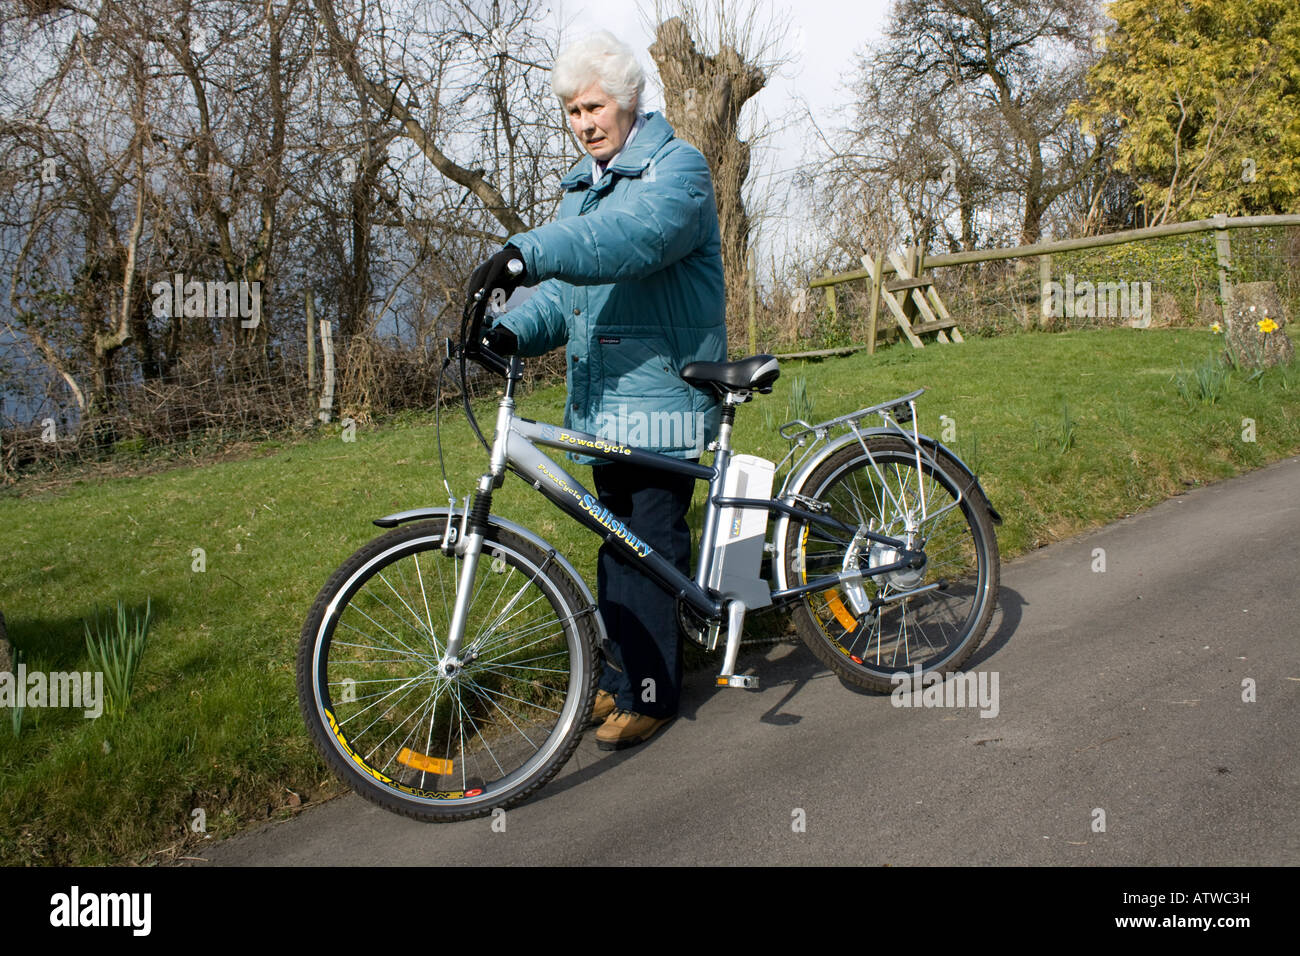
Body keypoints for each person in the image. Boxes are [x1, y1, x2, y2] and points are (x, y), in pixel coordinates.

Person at [467, 30, 727, 751]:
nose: (583, 123)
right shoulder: (581, 188)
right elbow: (563, 296)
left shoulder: (677, 171)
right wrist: (510, 331)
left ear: (628, 101)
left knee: (644, 541)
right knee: (616, 545)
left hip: (663, 401)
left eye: (593, 106)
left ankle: (652, 693)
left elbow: (632, 240)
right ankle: (619, 680)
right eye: (572, 111)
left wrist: (529, 248)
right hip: (607, 404)